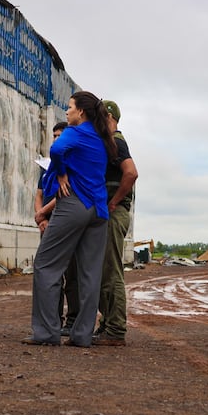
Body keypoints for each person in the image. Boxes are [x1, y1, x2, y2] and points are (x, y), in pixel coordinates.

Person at [23, 91, 117, 347]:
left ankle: (46, 333)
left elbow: (57, 149)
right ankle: (82, 336)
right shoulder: (102, 139)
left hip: (75, 203)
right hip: (99, 210)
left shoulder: (76, 132)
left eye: (70, 107)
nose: (67, 112)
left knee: (46, 264)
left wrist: (62, 174)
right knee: (90, 273)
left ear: (81, 112)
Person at [93, 100, 138, 346]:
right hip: (110, 212)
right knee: (103, 272)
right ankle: (108, 324)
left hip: (115, 212)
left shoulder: (117, 142)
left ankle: (116, 329)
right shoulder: (108, 143)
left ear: (108, 116)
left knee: (112, 271)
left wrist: (115, 201)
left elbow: (131, 172)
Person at [34, 122, 78, 336]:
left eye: (61, 135)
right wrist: (40, 217)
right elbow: (39, 194)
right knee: (51, 276)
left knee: (71, 275)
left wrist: (44, 214)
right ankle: (54, 321)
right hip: (47, 224)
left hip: (63, 222)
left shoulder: (71, 163)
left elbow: (64, 194)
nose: (57, 139)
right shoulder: (46, 167)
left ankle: (72, 322)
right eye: (54, 135)